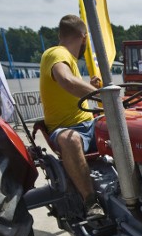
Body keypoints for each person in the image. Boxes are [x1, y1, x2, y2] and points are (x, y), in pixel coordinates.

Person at [39, 14, 104, 219]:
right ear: (84, 37)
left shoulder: (69, 61)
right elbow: (66, 81)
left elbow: (70, 89)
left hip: (87, 124)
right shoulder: (56, 53)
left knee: (126, 124)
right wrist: (105, 95)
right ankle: (90, 201)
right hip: (66, 129)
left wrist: (91, 87)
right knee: (71, 139)